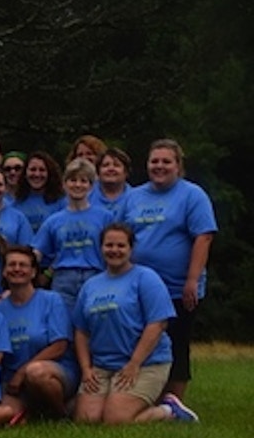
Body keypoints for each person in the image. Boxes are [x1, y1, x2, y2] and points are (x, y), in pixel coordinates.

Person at [116, 138, 217, 401]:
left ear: (178, 166)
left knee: (176, 343)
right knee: (139, 341)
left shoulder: (192, 195)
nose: (159, 166)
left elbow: (203, 237)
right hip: (137, 286)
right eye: (154, 161)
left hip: (176, 286)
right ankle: (142, 394)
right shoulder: (133, 197)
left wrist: (192, 280)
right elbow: (119, 235)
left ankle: (174, 400)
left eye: (166, 161)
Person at [72, 224, 196, 424]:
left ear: (131, 249)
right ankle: (115, 398)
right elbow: (81, 331)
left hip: (145, 363)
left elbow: (157, 324)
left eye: (121, 245)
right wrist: (86, 369)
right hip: (103, 365)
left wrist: (134, 364)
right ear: (101, 248)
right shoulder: (91, 285)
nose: (114, 250)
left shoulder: (146, 278)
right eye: (109, 245)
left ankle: (169, 410)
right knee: (87, 420)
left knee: (116, 420)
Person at [0, 246, 77, 419]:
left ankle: (59, 416)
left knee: (36, 373)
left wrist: (22, 371)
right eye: (12, 265)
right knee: (3, 414)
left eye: (23, 265)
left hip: (53, 370)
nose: (17, 269)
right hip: (13, 381)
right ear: (3, 271)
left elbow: (60, 346)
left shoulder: (51, 300)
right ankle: (33, 411)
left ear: (33, 272)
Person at [33, 159, 112, 310]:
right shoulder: (54, 221)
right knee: (63, 325)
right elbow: (37, 251)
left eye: (83, 181)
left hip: (95, 275)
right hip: (64, 279)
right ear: (65, 184)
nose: (77, 185)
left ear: (91, 186)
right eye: (73, 180)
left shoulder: (104, 217)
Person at [14, 151, 64, 233]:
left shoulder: (61, 202)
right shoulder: (17, 203)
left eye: (42, 170)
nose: (37, 174)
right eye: (33, 169)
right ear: (25, 173)